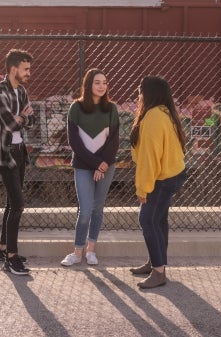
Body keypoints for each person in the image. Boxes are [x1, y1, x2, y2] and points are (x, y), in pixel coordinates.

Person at [129, 76, 187, 289]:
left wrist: (143, 187)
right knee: (159, 220)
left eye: (140, 91)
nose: (138, 95)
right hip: (172, 174)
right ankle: (156, 262)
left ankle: (158, 272)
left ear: (149, 93)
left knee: (147, 220)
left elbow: (150, 156)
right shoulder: (165, 112)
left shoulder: (154, 116)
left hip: (161, 178)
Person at [60, 68, 120, 267]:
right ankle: (77, 252)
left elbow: (113, 141)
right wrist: (96, 164)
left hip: (106, 166)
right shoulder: (76, 108)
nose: (102, 86)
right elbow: (75, 143)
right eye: (97, 82)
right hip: (84, 167)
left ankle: (91, 251)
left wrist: (103, 165)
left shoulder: (111, 108)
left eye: (104, 82)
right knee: (85, 210)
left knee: (97, 209)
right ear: (88, 85)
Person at [0, 49, 35, 275]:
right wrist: (22, 117)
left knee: (11, 203)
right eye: (25, 69)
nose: (28, 73)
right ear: (13, 68)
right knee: (18, 204)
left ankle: (3, 248)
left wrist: (22, 118)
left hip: (19, 151)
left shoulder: (21, 91)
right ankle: (11, 259)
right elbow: (9, 124)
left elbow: (31, 120)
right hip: (4, 153)